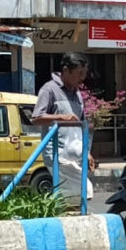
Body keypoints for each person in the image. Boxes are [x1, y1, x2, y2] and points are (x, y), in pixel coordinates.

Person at [32, 52, 95, 207]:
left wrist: (86, 151)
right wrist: (62, 117)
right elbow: (36, 118)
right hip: (57, 154)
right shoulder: (49, 90)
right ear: (66, 71)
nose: (82, 78)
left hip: (74, 152)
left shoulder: (77, 93)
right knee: (83, 191)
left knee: (73, 196)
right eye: (79, 73)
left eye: (84, 74)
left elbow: (80, 124)